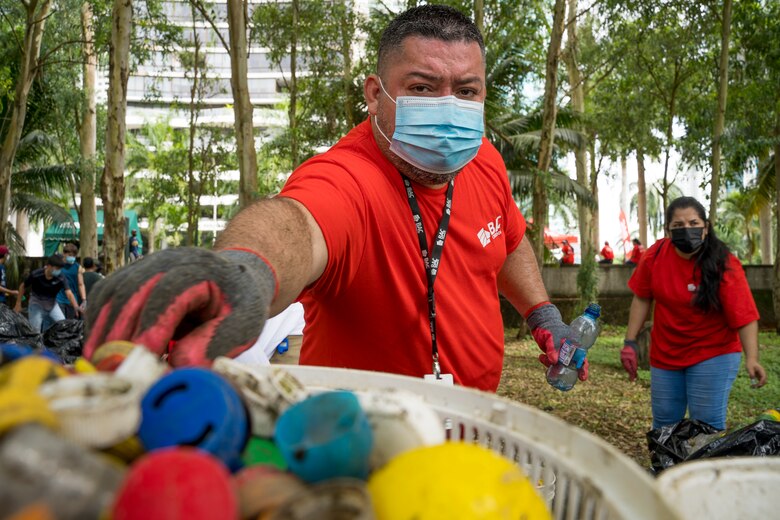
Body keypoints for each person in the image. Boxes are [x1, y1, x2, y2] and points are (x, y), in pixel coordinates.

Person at [84, 5, 586, 392]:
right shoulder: (348, 177)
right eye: (422, 87)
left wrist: (542, 317)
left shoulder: (483, 159)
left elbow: (506, 239)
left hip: (476, 424)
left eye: (466, 91)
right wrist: (245, 271)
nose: (448, 108)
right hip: (357, 440)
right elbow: (297, 224)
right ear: (375, 94)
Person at [620, 196, 767, 431]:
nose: (687, 230)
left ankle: (704, 458)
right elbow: (642, 297)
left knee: (705, 426)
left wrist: (752, 358)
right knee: (665, 425)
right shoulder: (655, 256)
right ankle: (669, 459)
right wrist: (630, 342)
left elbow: (745, 316)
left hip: (713, 352)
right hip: (666, 353)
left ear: (706, 228)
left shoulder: (724, 263)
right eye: (678, 225)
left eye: (693, 223)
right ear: (668, 230)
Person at [15, 254, 80, 333]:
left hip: (52, 305)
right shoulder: (36, 274)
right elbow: (22, 286)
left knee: (62, 325)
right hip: (36, 304)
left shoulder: (61, 277)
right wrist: (18, 303)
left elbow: (69, 293)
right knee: (35, 331)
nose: (58, 271)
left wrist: (76, 307)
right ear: (49, 266)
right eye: (57, 268)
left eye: (60, 269)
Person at [56, 243, 87, 319]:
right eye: (70, 255)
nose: (72, 257)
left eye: (74, 256)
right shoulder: (58, 265)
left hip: (72, 300)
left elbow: (81, 284)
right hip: (59, 298)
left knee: (71, 322)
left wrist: (84, 299)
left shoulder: (78, 267)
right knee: (60, 322)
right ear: (64, 254)